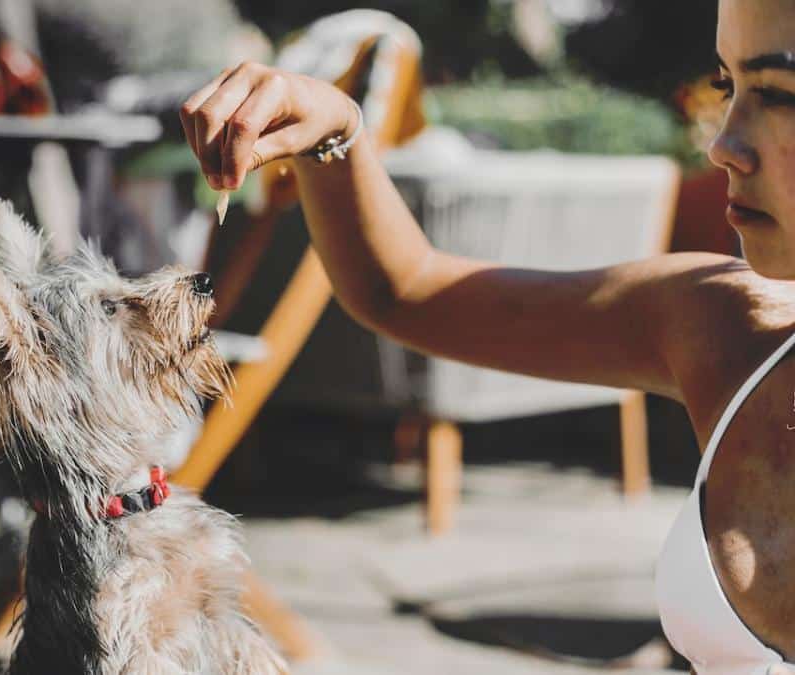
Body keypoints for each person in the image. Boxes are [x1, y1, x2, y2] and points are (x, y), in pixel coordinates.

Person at [181, 1, 795, 672]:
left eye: (780, 94)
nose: (722, 143)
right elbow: (410, 289)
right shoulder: (724, 330)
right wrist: (333, 132)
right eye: (729, 85)